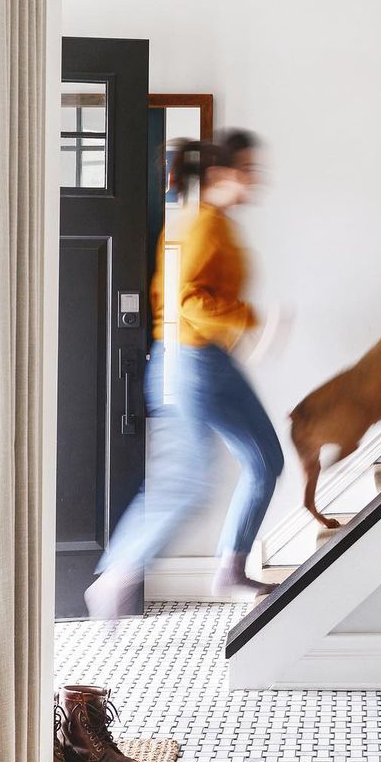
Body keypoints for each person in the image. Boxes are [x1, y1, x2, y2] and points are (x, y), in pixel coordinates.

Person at [85, 129, 284, 617]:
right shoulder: (199, 224)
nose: (256, 181)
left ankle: (230, 569)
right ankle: (117, 575)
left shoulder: (214, 223)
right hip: (185, 363)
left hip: (212, 362)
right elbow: (185, 300)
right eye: (248, 172)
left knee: (265, 459)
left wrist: (248, 324)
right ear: (221, 173)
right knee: (188, 481)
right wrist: (249, 322)